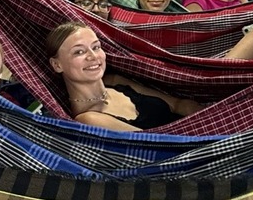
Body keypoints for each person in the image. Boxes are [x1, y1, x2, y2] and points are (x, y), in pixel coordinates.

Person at [45, 21, 200, 129]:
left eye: (96, 47)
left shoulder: (115, 82)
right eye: (79, 51)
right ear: (57, 65)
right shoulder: (88, 119)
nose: (93, 56)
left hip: (202, 130)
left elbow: (178, 104)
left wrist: (211, 121)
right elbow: (161, 144)